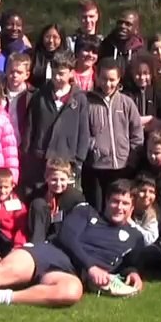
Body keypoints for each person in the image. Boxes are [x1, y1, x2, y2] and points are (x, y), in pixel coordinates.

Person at [0, 178, 146, 313]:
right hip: (50, 252)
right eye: (114, 201)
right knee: (7, 270)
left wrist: (133, 272)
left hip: (70, 274)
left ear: (132, 206)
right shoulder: (86, 211)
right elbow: (67, 239)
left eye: (125, 203)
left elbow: (129, 262)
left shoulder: (134, 237)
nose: (119, 207)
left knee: (72, 292)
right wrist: (92, 267)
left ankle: (0, 297)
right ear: (107, 202)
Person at [22, 55, 91, 190]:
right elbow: (30, 126)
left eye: (61, 74)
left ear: (71, 73)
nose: (57, 77)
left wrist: (78, 159)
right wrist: (28, 151)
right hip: (41, 157)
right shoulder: (39, 96)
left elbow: (84, 131)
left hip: (67, 159)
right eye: (54, 73)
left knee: (67, 197)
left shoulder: (80, 99)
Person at [85, 59, 144, 209]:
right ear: (96, 77)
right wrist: (92, 147)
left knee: (117, 208)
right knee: (97, 208)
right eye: (104, 79)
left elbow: (136, 133)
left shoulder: (126, 103)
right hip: (96, 167)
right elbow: (82, 133)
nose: (107, 84)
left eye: (112, 80)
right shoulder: (87, 102)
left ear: (119, 79)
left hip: (122, 167)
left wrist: (132, 160)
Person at [26, 159, 87, 243]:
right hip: (42, 231)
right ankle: (37, 243)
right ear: (46, 178)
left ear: (68, 179)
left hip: (63, 235)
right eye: (54, 180)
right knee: (38, 203)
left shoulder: (75, 197)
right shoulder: (37, 193)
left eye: (62, 180)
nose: (58, 184)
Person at [124, 54, 161, 134]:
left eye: (146, 73)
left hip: (153, 137)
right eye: (138, 74)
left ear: (151, 74)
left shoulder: (157, 93)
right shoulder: (126, 95)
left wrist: (157, 123)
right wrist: (146, 120)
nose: (142, 78)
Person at [31, 22, 70, 89]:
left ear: (61, 39)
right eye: (47, 37)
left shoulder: (68, 57)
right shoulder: (33, 54)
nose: (51, 41)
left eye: (55, 37)